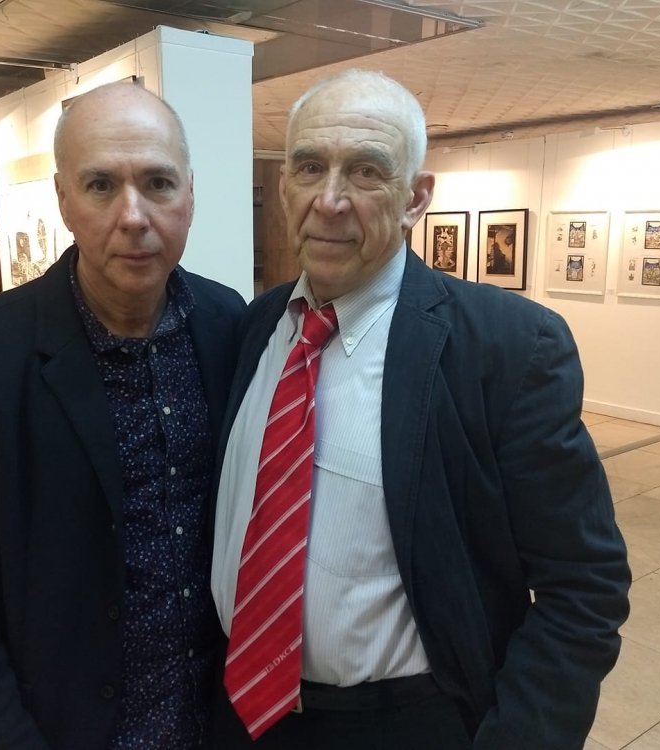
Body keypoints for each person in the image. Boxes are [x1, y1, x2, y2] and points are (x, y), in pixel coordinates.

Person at [210, 69, 630, 750]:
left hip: (398, 724)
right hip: (236, 711)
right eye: (310, 167)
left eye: (366, 171)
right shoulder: (255, 327)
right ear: (283, 185)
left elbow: (584, 587)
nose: (329, 200)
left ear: (416, 198)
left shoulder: (506, 348)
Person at [0, 82, 245, 750]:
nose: (134, 216)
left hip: (215, 721)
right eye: (100, 186)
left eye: (158, 183)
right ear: (63, 200)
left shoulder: (229, 322)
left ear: (191, 194)